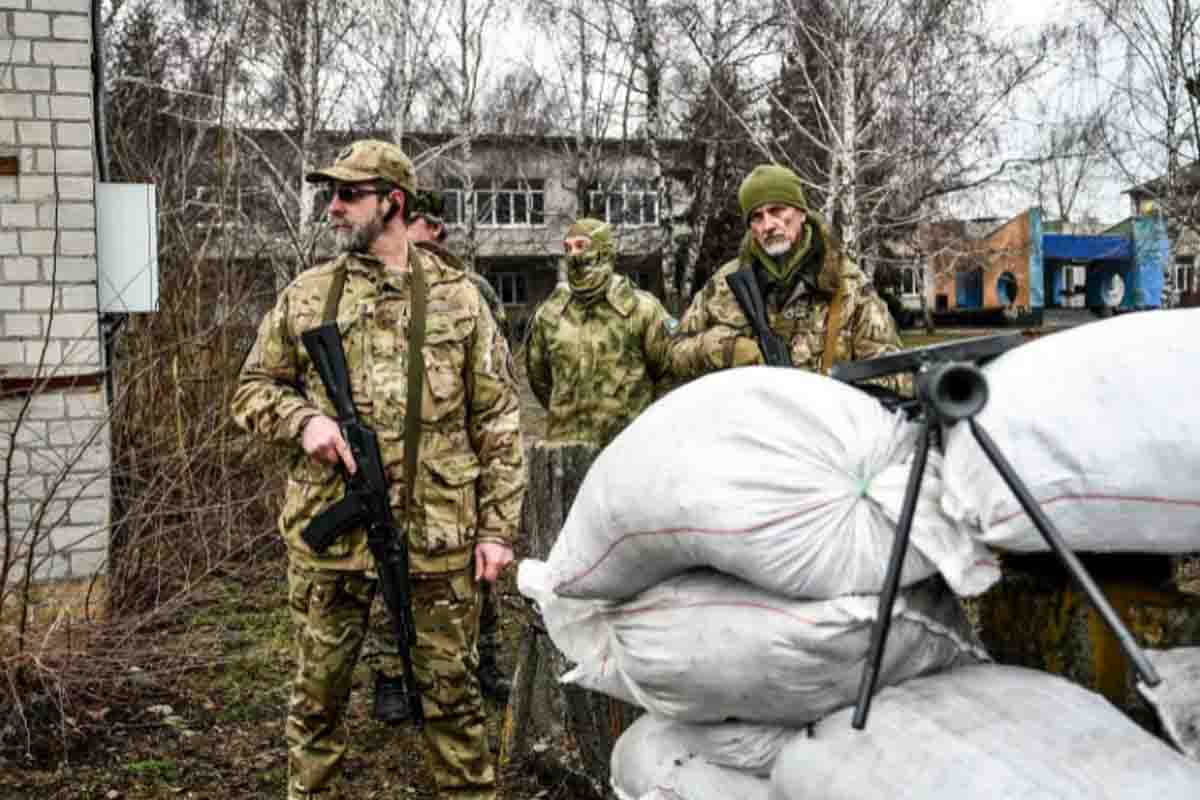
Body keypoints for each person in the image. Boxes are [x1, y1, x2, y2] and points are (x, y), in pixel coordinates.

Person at [231, 139, 526, 800]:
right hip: (330, 544)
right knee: (316, 709)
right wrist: (303, 421)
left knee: (455, 711)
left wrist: (497, 531)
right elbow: (251, 389)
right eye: (330, 195)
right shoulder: (308, 296)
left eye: (349, 195)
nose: (333, 208)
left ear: (392, 201)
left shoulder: (457, 298)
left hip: (436, 542)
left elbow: (499, 421)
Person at [362, 187, 512, 722]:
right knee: (387, 571)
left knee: (471, 579)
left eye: (416, 223)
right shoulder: (370, 285)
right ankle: (391, 676)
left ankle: (483, 663)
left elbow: (498, 384)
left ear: (433, 228)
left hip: (454, 466)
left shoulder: (471, 292)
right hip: (387, 464)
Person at [667, 163, 903, 383]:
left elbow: (894, 375)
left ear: (801, 212)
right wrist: (719, 349)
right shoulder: (723, 285)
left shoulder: (849, 284)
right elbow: (673, 355)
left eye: (777, 210)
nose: (768, 225)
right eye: (757, 217)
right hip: (746, 424)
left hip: (822, 422)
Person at [524, 217, 677, 448]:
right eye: (568, 248)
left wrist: (648, 425)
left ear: (603, 250)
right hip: (566, 452)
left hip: (628, 450)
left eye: (581, 246)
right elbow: (540, 380)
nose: (573, 255)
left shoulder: (641, 309)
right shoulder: (549, 315)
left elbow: (669, 374)